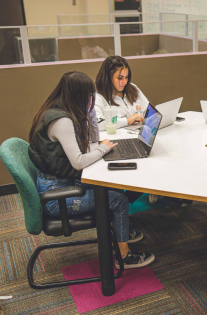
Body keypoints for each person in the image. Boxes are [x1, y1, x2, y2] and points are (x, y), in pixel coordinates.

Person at [28, 71, 155, 269]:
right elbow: (79, 161)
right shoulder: (62, 121)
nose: (92, 99)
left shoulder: (61, 110)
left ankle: (120, 232)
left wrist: (91, 116)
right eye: (89, 96)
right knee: (119, 200)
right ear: (78, 95)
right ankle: (124, 256)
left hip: (61, 182)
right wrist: (104, 148)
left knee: (113, 190)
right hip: (56, 196)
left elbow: (91, 142)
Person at [95, 56, 148, 131]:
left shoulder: (133, 88)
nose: (125, 82)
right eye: (120, 78)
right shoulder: (98, 97)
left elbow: (147, 110)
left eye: (126, 77)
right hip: (117, 139)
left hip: (138, 134)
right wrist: (127, 121)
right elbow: (97, 124)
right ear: (108, 77)